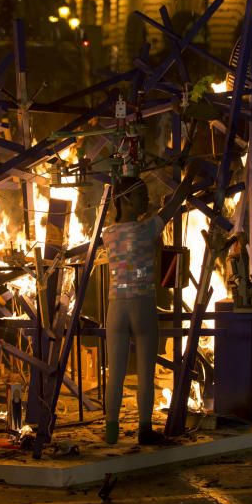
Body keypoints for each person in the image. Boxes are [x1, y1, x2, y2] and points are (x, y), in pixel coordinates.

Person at [103, 167, 195, 446]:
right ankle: (144, 429)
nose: (146, 200)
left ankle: (111, 432)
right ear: (126, 200)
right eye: (141, 195)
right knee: (146, 372)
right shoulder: (146, 229)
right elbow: (172, 206)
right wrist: (188, 180)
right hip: (142, 304)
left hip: (115, 305)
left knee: (115, 373)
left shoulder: (108, 233)